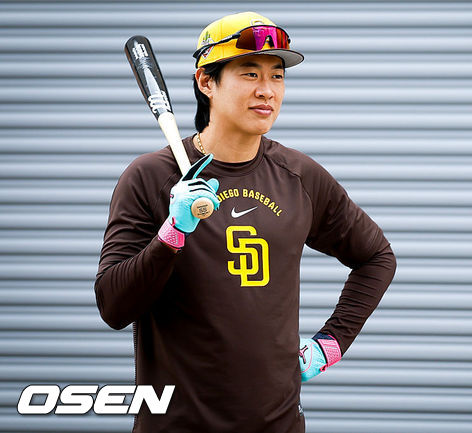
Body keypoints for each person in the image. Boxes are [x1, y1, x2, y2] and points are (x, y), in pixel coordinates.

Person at [94, 11, 396, 433]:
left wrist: (332, 342)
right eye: (250, 73)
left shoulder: (299, 176)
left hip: (278, 424)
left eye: (277, 76)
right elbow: (113, 306)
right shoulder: (150, 178)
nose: (267, 90)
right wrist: (171, 234)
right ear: (206, 82)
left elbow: (377, 257)